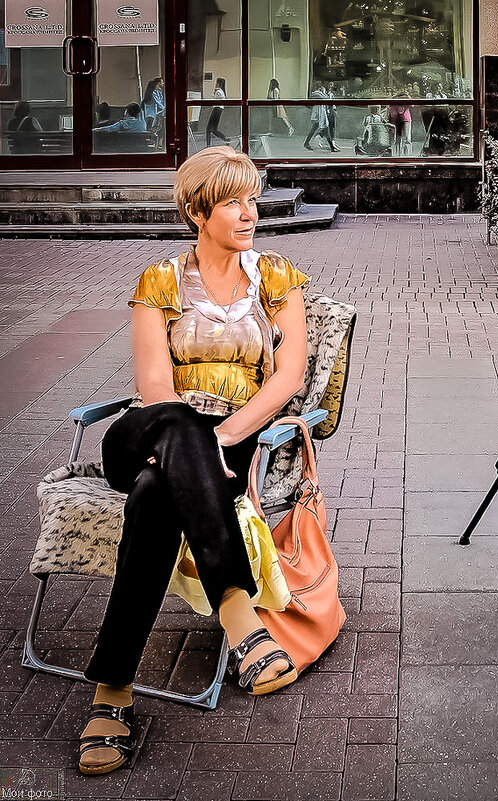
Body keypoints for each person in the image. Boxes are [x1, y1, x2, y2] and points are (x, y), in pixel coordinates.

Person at [77, 146, 309, 776]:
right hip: (148, 433)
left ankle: (111, 692)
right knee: (174, 427)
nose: (248, 212)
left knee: (156, 497)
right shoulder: (160, 280)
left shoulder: (276, 277)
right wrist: (198, 439)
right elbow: (153, 385)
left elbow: (289, 376)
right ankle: (239, 612)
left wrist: (226, 433)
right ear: (197, 212)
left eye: (251, 199)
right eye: (231, 201)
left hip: (227, 435)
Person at [206, 78, 231, 146]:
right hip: (219, 110)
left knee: (209, 129)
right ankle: (225, 139)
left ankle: (208, 145)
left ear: (218, 83)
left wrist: (214, 92)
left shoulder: (218, 92)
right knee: (213, 129)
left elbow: (213, 99)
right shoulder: (222, 92)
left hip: (216, 110)